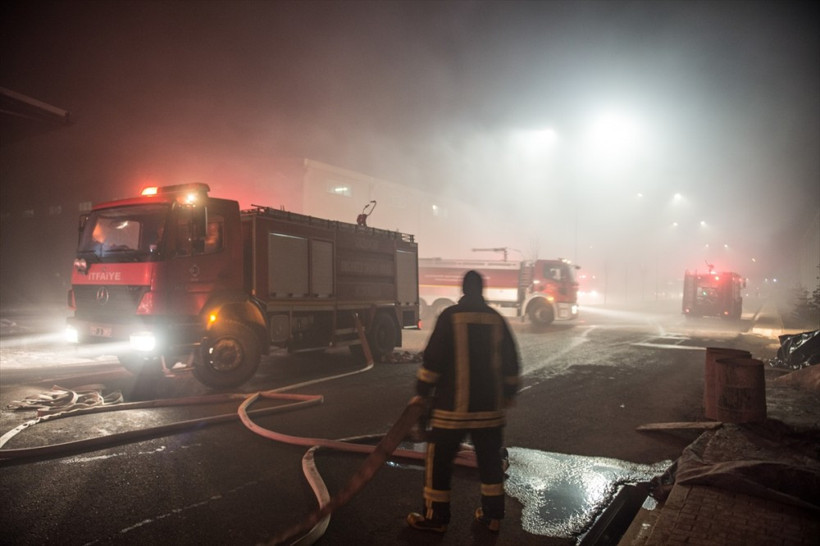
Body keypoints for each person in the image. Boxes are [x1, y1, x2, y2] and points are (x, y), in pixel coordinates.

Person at [407, 270, 520, 534]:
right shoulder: (496, 319)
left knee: (439, 461)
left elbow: (433, 360)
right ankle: (492, 517)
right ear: (482, 290)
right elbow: (511, 361)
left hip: (451, 411)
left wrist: (422, 391)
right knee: (490, 462)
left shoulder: (450, 317)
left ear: (463, 290)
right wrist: (509, 392)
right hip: (489, 411)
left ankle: (436, 518)